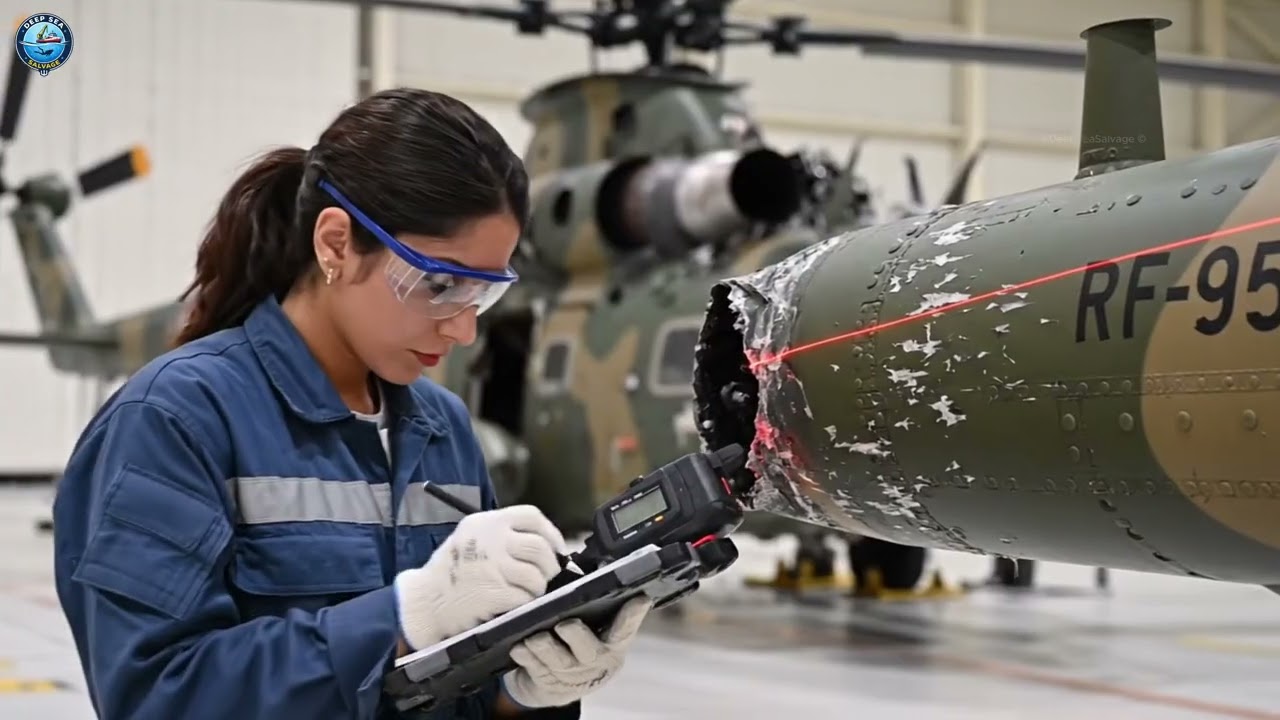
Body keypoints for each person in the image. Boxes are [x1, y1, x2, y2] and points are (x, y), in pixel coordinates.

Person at [51, 87, 651, 719]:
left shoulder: (443, 428)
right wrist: (403, 619)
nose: (463, 329)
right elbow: (155, 697)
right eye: (439, 283)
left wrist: (527, 691)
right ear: (336, 244)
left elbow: (464, 688)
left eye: (483, 293)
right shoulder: (176, 419)